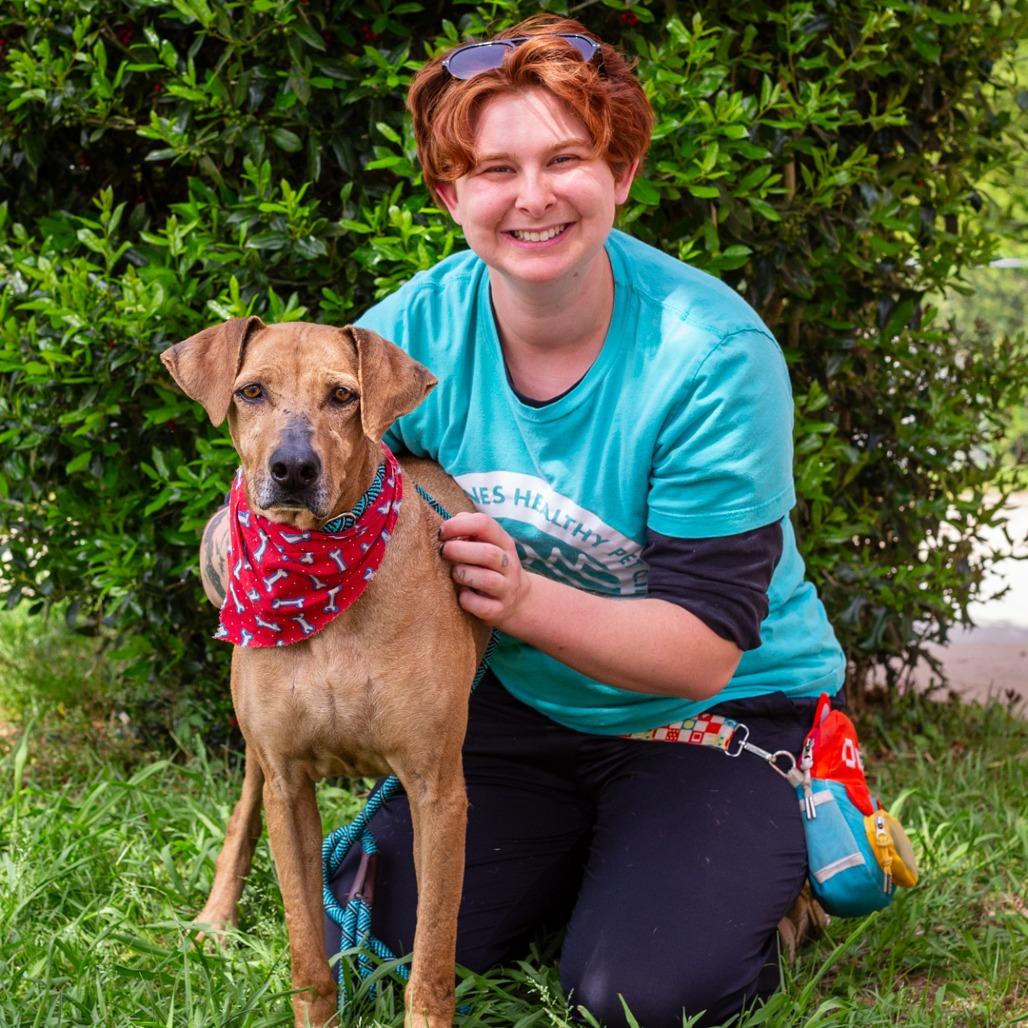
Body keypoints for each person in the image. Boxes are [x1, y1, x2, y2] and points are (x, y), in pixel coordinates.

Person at [227, 14, 846, 1026]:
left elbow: (700, 654)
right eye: (492, 168)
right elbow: (306, 458)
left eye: (565, 158)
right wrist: (236, 540)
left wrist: (515, 595)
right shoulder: (403, 337)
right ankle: (604, 868)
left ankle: (763, 875)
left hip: (714, 717)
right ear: (448, 193)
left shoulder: (709, 354)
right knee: (373, 941)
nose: (531, 197)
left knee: (643, 994)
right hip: (520, 712)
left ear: (623, 172)